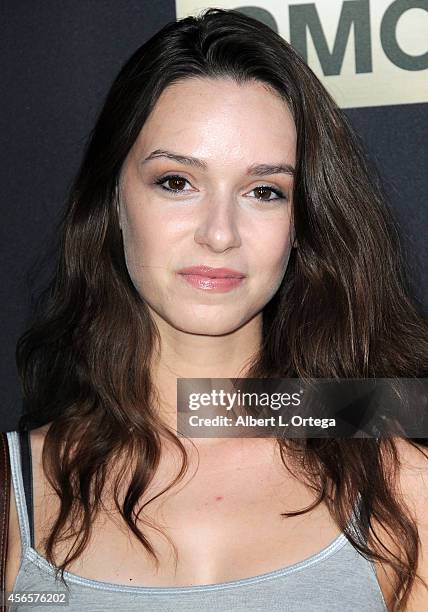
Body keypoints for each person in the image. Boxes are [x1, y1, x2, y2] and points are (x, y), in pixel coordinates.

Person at [4, 7, 428, 611]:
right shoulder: (15, 491)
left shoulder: (399, 479)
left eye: (264, 191)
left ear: (302, 220)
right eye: (177, 181)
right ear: (113, 198)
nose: (220, 233)